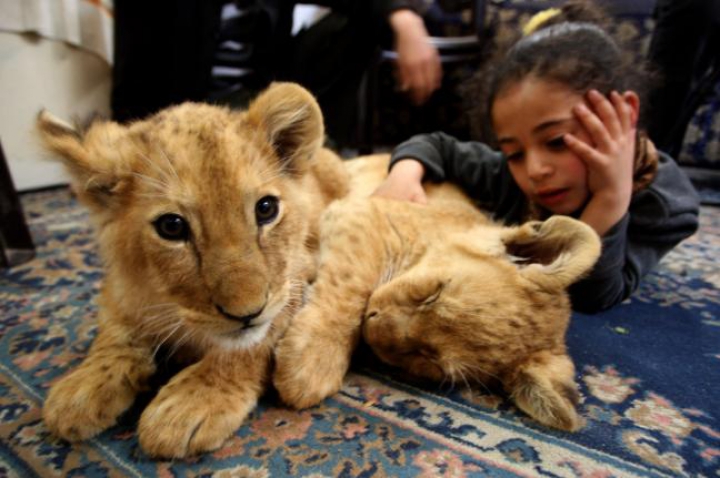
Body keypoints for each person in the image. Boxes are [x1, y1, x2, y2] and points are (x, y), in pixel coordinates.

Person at [373, 0, 701, 314]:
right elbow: (435, 145)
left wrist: (610, 197)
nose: (535, 170)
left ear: (623, 114)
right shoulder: (506, 173)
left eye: (557, 141)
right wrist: (404, 174)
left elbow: (591, 296)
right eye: (514, 152)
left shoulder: (666, 205)